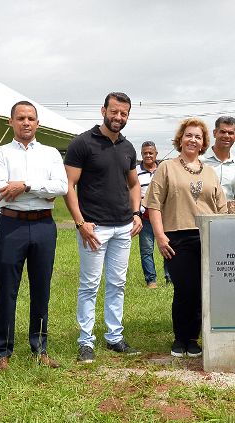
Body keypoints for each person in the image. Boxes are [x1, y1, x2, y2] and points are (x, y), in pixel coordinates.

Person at [64, 92, 142, 363]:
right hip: (94, 229)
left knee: (117, 283)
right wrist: (80, 223)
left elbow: (134, 184)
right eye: (114, 111)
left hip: (123, 228)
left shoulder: (128, 148)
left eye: (124, 113)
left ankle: (114, 337)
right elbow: (68, 186)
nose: (118, 117)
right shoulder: (82, 143)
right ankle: (86, 342)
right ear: (103, 110)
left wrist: (135, 213)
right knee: (89, 285)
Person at [0, 101, 68, 371]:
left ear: (37, 123)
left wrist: (25, 185)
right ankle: (3, 352)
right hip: (12, 226)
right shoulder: (0, 153)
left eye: (31, 118)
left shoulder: (51, 153)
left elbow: (61, 187)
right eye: (20, 118)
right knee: (7, 289)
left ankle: (40, 349)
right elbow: (1, 189)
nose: (26, 122)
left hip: (44, 226)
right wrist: (41, 189)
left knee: (41, 289)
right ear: (11, 121)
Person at [144, 118, 227, 356]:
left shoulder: (210, 172)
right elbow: (154, 204)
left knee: (203, 290)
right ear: (180, 139)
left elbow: (221, 210)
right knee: (185, 289)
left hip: (208, 237)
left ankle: (194, 338)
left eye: (198, 137)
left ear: (203, 143)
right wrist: (160, 236)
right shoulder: (166, 168)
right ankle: (180, 337)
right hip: (177, 237)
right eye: (189, 135)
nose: (193, 140)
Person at [137, 141, 170, 288]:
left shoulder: (164, 170)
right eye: (145, 153)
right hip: (145, 217)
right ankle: (151, 280)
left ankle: (171, 278)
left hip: (165, 218)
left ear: (156, 154)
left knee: (168, 247)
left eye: (151, 153)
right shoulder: (135, 171)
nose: (148, 155)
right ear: (141, 154)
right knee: (146, 249)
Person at [202, 116, 235, 200]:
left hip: (227, 212)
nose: (226, 136)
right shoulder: (200, 160)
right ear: (215, 133)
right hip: (204, 212)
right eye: (222, 132)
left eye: (230, 133)